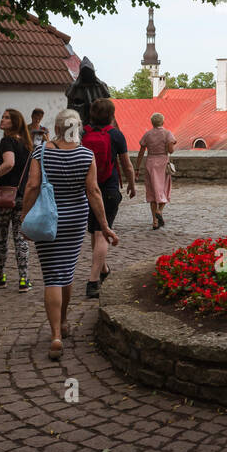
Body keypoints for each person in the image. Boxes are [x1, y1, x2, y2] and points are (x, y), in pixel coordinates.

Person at [20, 108, 118, 360]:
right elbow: (94, 192)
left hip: (47, 219)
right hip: (75, 219)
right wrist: (104, 226)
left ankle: (55, 335)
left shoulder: (41, 152)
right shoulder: (86, 155)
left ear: (58, 127)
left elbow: (32, 186)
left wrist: (24, 217)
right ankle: (64, 322)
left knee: (52, 275)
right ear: (78, 129)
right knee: (67, 272)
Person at [82, 98, 134, 300]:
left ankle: (103, 269)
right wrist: (131, 183)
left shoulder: (84, 133)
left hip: (88, 189)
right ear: (112, 114)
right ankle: (93, 281)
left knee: (95, 233)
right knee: (103, 232)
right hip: (110, 188)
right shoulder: (116, 135)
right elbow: (126, 165)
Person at [0, 109, 33, 291]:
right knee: (20, 239)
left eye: (6, 117)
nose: (2, 120)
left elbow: (9, 164)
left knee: (1, 239)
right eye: (2, 116)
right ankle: (23, 279)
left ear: (14, 122)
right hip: (22, 196)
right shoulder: (27, 144)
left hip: (4, 195)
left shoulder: (7, 141)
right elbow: (16, 167)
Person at [135, 111, 176, 229]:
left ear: (152, 123)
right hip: (163, 162)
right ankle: (159, 211)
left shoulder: (147, 135)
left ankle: (154, 222)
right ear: (162, 122)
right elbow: (171, 150)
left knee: (152, 192)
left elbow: (141, 152)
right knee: (164, 189)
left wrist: (137, 167)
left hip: (150, 163)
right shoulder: (167, 134)